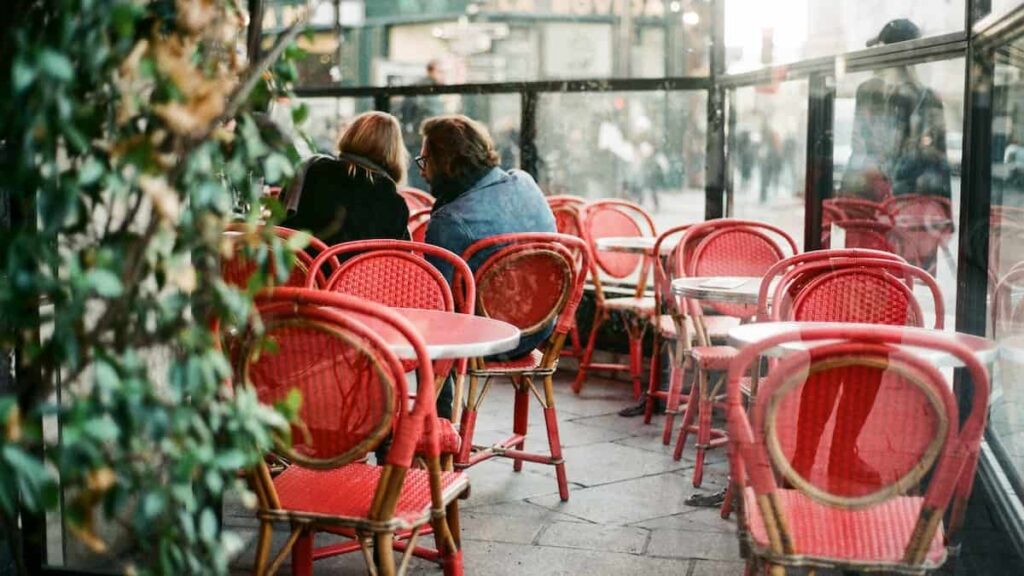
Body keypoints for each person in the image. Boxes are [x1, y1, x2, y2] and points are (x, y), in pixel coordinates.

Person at [840, 18, 952, 202]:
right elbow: (860, 145)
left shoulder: (925, 98)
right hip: (876, 198)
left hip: (904, 201)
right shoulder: (869, 92)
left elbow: (934, 158)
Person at [281, 111, 410, 246]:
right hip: (361, 267)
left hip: (306, 265)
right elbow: (399, 258)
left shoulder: (313, 170)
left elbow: (281, 223)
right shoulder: (395, 203)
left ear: (351, 134)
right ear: (395, 151)